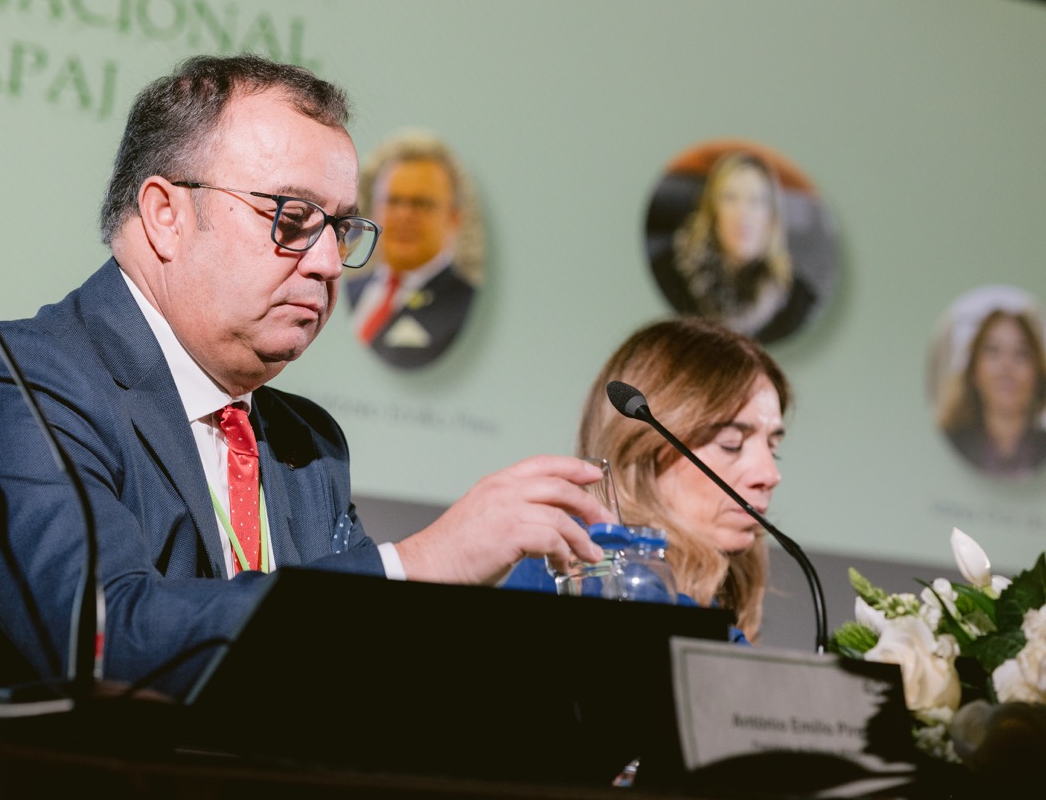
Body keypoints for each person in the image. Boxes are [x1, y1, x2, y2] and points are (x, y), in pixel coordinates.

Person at [0, 54, 613, 705]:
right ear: (165, 215)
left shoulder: (306, 445)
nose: (327, 263)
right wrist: (421, 562)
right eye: (291, 217)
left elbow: (355, 675)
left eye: (340, 229)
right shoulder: (15, 389)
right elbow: (107, 641)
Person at [505, 316, 790, 643]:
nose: (770, 475)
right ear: (642, 446)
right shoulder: (575, 564)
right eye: (731, 444)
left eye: (773, 449)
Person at [650, 151, 815, 344]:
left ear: (771, 217)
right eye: (730, 198)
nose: (743, 213)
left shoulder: (797, 300)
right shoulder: (668, 274)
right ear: (713, 210)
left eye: (756, 201)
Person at [345, 131, 477, 368]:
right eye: (392, 201)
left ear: (453, 219)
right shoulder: (349, 292)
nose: (404, 215)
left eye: (421, 204)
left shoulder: (463, 305)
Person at [937, 308, 1046, 478]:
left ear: (1037, 375)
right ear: (974, 372)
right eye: (994, 351)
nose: (1007, 366)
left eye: (1021, 353)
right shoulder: (946, 446)